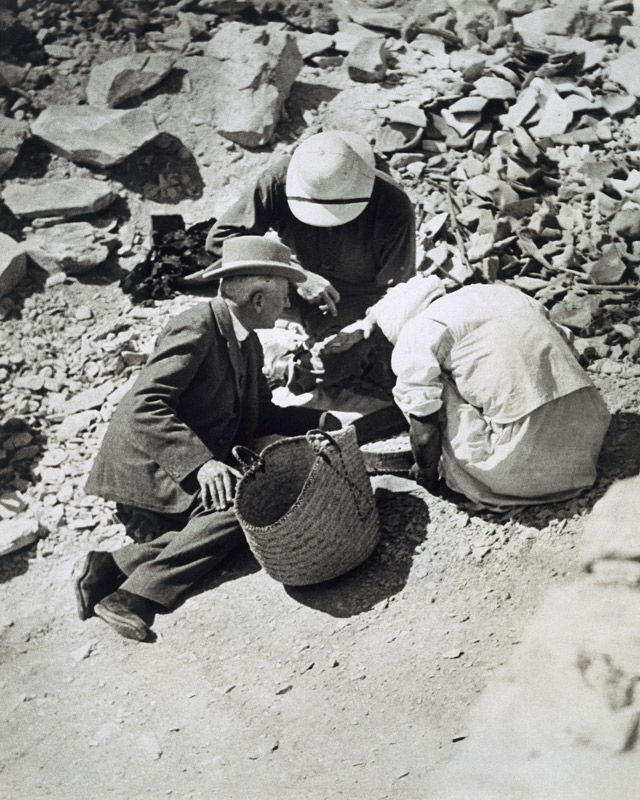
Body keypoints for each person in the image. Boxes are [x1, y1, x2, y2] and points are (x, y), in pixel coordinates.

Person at [76, 236, 331, 641]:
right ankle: (132, 597)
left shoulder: (245, 340)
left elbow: (261, 414)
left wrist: (323, 418)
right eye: (284, 297)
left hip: (177, 473)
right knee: (248, 509)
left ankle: (115, 565)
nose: (287, 306)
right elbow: (141, 406)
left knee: (248, 527)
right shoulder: (195, 326)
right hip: (151, 475)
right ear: (259, 298)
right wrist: (203, 463)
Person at [348, 275, 611, 510]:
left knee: (424, 392)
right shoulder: (499, 292)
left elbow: (425, 435)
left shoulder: (417, 331)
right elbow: (569, 349)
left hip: (524, 467)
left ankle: (480, 477)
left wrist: (427, 474)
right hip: (590, 433)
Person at [200, 130, 416, 391]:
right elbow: (221, 240)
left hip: (350, 301)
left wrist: (362, 327)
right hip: (286, 282)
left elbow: (400, 293)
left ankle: (285, 370)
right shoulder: (281, 178)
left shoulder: (393, 204)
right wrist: (296, 273)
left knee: (349, 357)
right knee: (233, 286)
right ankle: (236, 361)